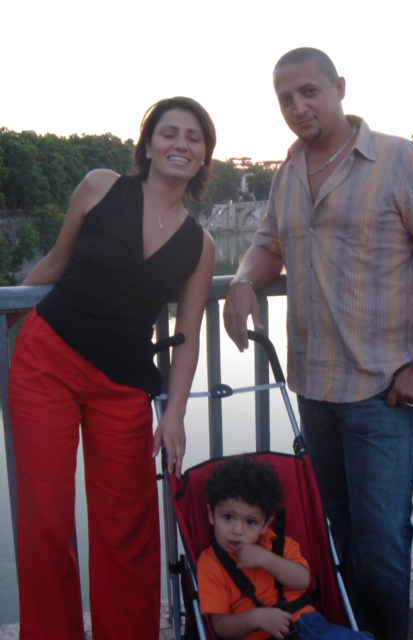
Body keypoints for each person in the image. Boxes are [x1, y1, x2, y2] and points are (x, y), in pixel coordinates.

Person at [223, 48, 413, 640]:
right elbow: (267, 244)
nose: (297, 106)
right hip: (314, 389)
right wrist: (241, 281)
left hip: (383, 393)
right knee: (338, 536)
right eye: (285, 98)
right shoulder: (287, 173)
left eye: (309, 91)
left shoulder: (400, 160)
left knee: (381, 545)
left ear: (339, 87)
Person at [8, 96, 216, 640]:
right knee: (45, 521)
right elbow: (55, 264)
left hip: (122, 386)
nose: (180, 144)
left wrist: (174, 413)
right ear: (147, 145)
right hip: (46, 362)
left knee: (128, 529)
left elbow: (188, 338)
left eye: (193, 137)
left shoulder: (200, 245)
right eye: (169, 133)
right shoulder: (100, 187)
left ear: (203, 156)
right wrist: (7, 317)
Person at [197, 455, 369, 640]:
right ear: (211, 514)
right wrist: (256, 618)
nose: (237, 530)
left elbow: (303, 581)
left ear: (265, 524)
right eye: (228, 517)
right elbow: (220, 626)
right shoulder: (210, 564)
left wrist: (265, 558)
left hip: (309, 626)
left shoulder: (278, 543)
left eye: (250, 522)